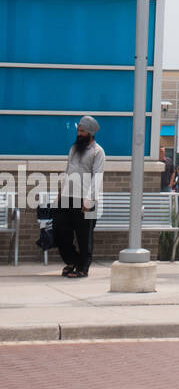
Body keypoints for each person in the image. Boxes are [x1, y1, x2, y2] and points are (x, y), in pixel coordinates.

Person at [54, 115, 104, 278]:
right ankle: (73, 260)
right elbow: (68, 172)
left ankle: (83, 268)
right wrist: (60, 195)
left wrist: (89, 201)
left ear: (90, 132)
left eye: (82, 131)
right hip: (67, 198)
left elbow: (97, 177)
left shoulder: (98, 152)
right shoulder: (73, 148)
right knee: (60, 232)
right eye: (78, 130)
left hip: (86, 200)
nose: (79, 133)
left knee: (85, 236)